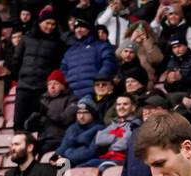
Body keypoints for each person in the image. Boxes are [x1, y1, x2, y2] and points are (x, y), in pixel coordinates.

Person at [13, 7, 67, 137]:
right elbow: (16, 60)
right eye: (47, 23)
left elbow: (58, 67)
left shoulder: (57, 43)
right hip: (24, 87)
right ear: (39, 22)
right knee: (19, 122)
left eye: (53, 24)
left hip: (42, 89)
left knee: (38, 122)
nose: (50, 27)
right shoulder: (26, 39)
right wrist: (20, 78)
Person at [60, 14, 116, 101]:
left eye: (82, 27)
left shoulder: (101, 46)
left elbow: (109, 62)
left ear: (89, 29)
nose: (78, 30)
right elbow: (63, 70)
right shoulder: (69, 51)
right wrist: (69, 83)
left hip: (95, 94)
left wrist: (99, 80)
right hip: (73, 96)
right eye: (76, 28)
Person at [32, 69, 78, 154]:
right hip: (41, 140)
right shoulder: (43, 100)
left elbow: (66, 118)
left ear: (63, 86)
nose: (52, 87)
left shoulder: (71, 99)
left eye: (56, 83)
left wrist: (47, 111)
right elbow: (31, 127)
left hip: (58, 141)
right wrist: (32, 121)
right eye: (49, 84)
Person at [57, 97, 105, 166]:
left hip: (87, 165)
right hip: (70, 162)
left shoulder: (100, 130)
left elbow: (91, 153)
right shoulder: (72, 128)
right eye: (79, 113)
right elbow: (63, 147)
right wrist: (55, 157)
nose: (81, 116)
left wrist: (67, 153)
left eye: (85, 113)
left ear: (93, 114)